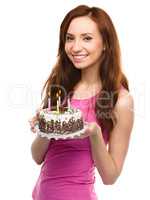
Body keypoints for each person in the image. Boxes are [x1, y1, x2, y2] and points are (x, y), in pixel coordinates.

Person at [29, 5, 134, 200]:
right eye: (70, 38)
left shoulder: (120, 100)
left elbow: (110, 177)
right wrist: (45, 126)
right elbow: (37, 157)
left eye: (87, 38)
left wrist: (94, 133)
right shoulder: (61, 86)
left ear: (105, 43)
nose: (75, 47)